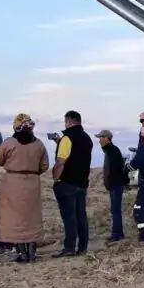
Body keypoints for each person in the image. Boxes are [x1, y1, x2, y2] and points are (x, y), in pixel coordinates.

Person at [0, 113, 49, 263]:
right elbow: (44, 166)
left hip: (13, 183)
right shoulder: (39, 144)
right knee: (32, 217)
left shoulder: (8, 143)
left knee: (14, 218)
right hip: (32, 183)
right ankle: (32, 252)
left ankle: (21, 253)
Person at [51, 110, 93, 257]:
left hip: (67, 183)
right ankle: (83, 247)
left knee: (69, 217)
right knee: (81, 216)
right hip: (82, 183)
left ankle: (69, 247)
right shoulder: (87, 139)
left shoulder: (67, 138)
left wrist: (56, 178)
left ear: (69, 121)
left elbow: (61, 161)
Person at [97, 129, 128, 243]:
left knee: (115, 210)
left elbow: (115, 169)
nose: (99, 140)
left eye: (100, 137)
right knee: (115, 210)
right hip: (114, 184)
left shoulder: (112, 150)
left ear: (106, 138)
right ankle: (118, 233)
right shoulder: (110, 150)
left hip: (115, 184)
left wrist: (110, 181)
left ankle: (117, 234)